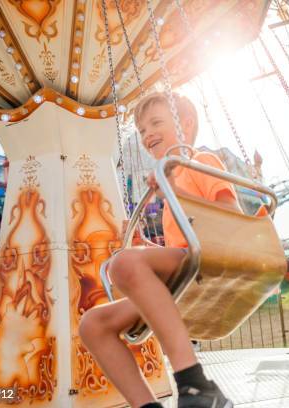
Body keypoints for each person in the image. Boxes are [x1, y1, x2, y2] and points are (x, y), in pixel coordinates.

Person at [79, 92, 237, 408]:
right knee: (92, 325)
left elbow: (229, 217)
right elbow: (179, 248)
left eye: (156, 122)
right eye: (141, 129)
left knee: (122, 265)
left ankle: (196, 385)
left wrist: (173, 189)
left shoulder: (200, 163)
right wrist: (143, 246)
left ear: (185, 123)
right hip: (184, 275)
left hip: (214, 264)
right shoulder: (169, 183)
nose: (147, 133)